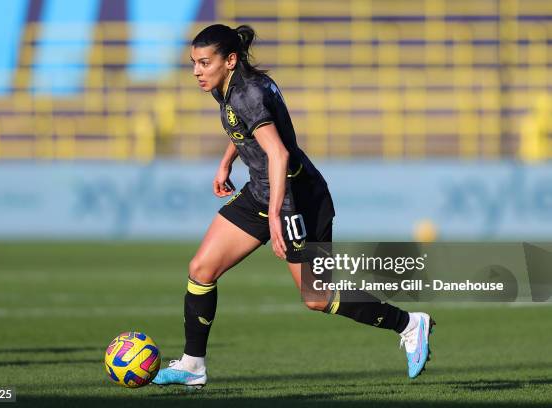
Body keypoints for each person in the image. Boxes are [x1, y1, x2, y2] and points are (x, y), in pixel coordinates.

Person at [152, 24, 434, 387]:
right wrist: (227, 161)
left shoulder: (247, 93)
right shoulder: (230, 85)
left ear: (230, 60)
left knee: (317, 298)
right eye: (194, 63)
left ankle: (410, 324)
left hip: (296, 199)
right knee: (201, 269)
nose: (197, 71)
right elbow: (247, 131)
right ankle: (193, 365)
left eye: (205, 63)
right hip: (261, 190)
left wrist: (274, 217)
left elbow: (279, 152)